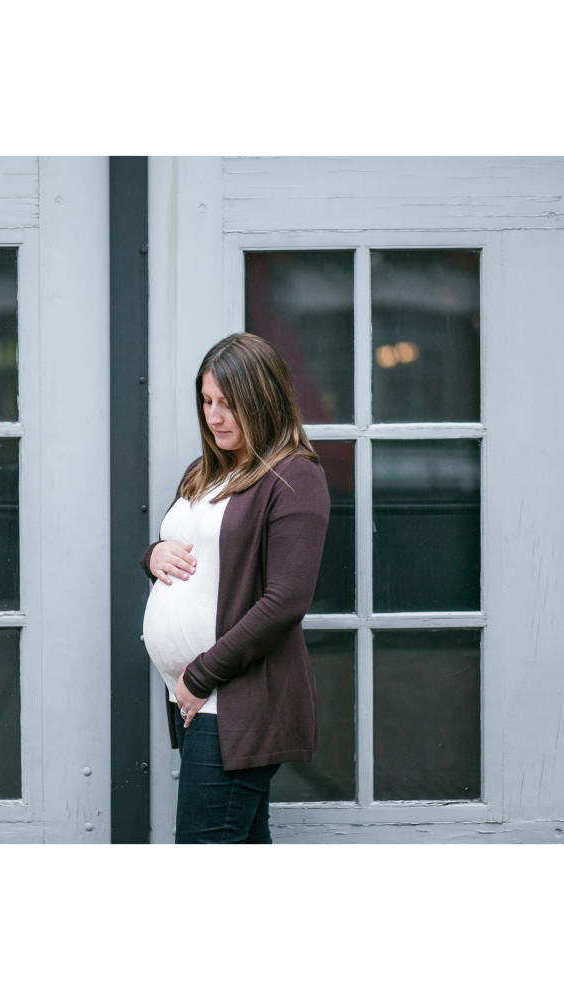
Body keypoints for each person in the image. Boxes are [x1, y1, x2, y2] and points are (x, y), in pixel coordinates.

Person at [140, 333, 329, 843]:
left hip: (233, 700)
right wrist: (153, 556)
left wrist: (200, 675)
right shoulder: (205, 473)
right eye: (207, 401)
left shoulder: (293, 477)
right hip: (202, 699)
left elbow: (285, 600)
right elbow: (188, 550)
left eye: (230, 403)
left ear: (263, 400)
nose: (215, 417)